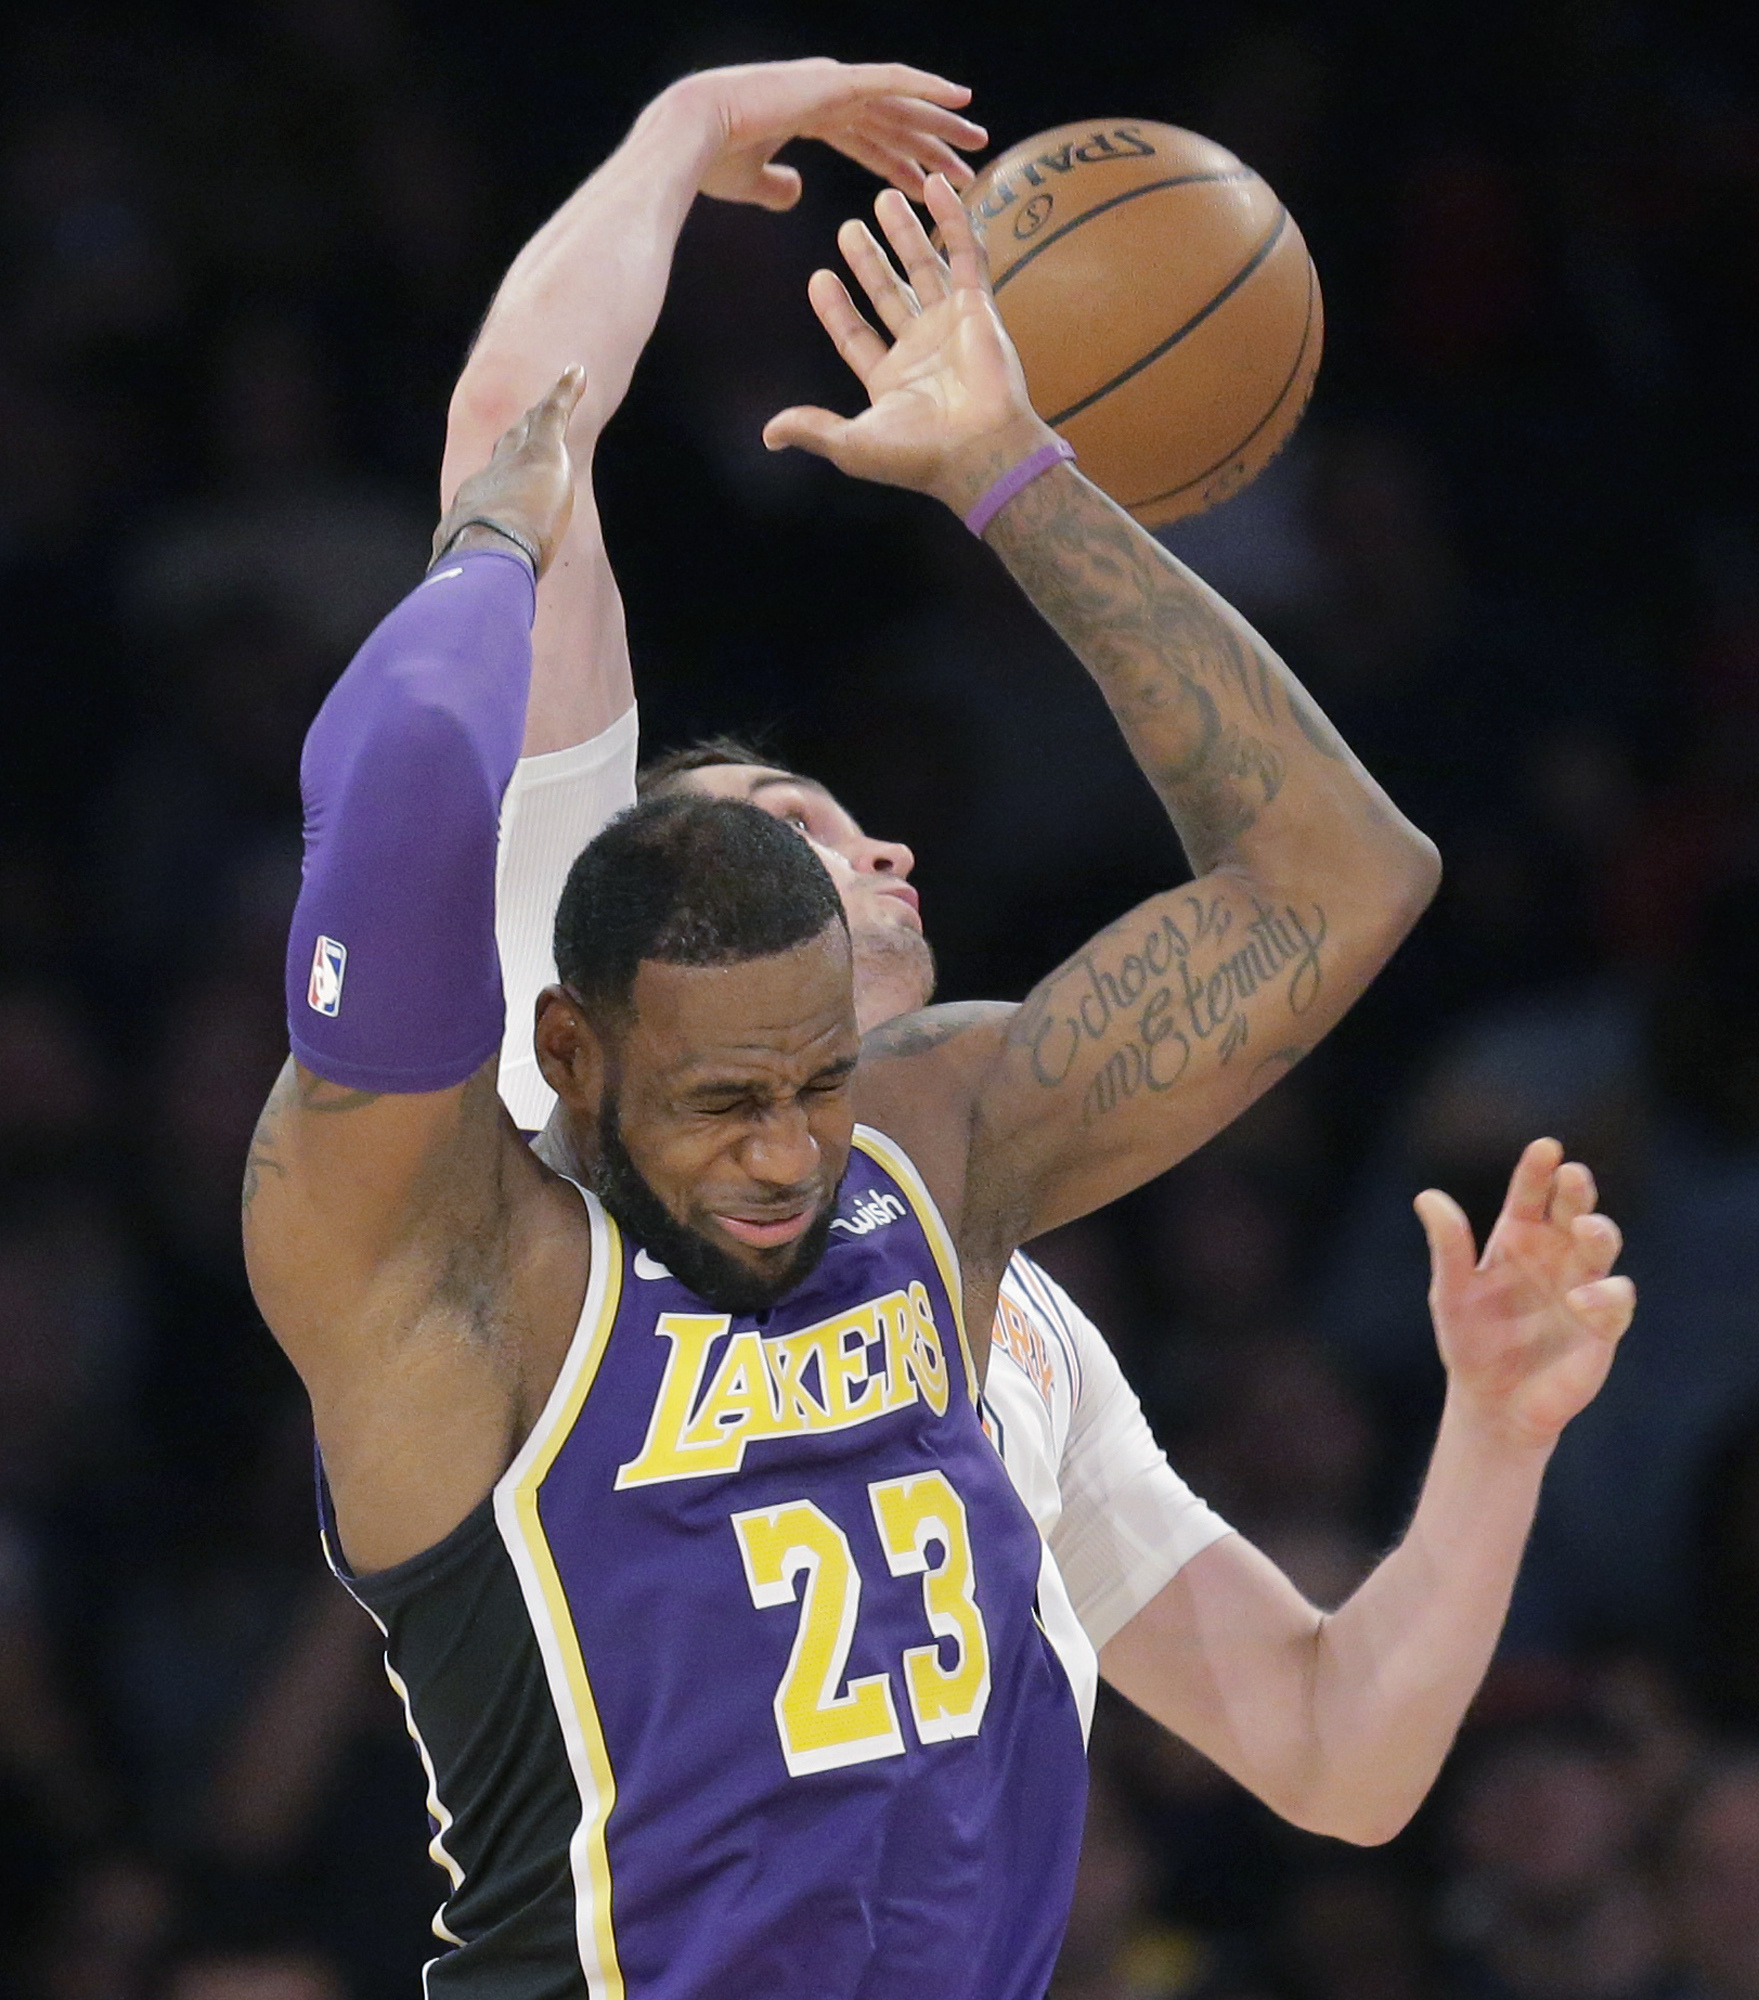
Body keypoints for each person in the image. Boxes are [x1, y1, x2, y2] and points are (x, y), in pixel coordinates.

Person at [244, 70, 1632, 2000]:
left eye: (854, 830)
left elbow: (1339, 1749)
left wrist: (1015, 473)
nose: (859, 855)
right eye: (780, 831)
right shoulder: (516, 1168)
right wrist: (677, 136)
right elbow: (517, 443)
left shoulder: (978, 1246)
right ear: (590, 1014)